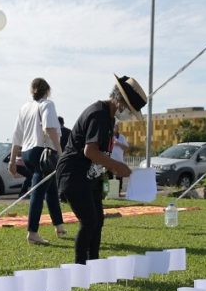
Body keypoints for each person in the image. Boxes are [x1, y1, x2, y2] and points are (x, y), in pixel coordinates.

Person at [57, 76, 144, 264]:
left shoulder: (109, 119)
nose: (129, 114)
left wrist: (108, 170)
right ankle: (80, 267)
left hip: (91, 177)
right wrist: (116, 165)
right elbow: (90, 151)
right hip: (74, 174)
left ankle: (94, 263)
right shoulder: (98, 115)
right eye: (129, 110)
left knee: (98, 221)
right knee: (89, 222)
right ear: (119, 102)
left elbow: (101, 152)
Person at [8, 77, 66, 245]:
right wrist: (60, 152)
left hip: (27, 153)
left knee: (51, 188)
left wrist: (12, 161)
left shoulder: (25, 108)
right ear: (47, 91)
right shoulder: (48, 104)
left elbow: (16, 137)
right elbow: (49, 128)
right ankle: (32, 232)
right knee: (38, 192)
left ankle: (59, 225)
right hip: (42, 153)